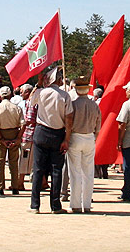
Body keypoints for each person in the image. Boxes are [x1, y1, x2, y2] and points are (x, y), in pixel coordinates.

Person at [30, 66, 74, 214]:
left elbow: (30, 101)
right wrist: (66, 139)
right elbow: (69, 119)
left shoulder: (41, 93)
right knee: (56, 171)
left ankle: (34, 205)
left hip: (41, 132)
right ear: (59, 80)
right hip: (58, 134)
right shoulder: (65, 96)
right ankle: (55, 205)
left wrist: (38, 84)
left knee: (38, 169)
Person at [67, 77, 102, 213]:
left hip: (75, 137)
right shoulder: (94, 105)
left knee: (74, 172)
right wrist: (95, 137)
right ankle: (86, 204)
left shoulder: (73, 104)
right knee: (88, 172)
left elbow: (69, 123)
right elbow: (98, 124)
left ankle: (75, 204)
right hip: (89, 137)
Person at [0, 86, 25, 196]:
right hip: (14, 132)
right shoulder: (17, 108)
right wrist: (18, 138)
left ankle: (0, 186)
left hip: (1, 134)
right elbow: (23, 124)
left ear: (0, 95)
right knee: (13, 162)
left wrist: (1, 139)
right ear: (10, 95)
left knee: (0, 161)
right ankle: (15, 186)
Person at [19, 86, 38, 190]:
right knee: (27, 159)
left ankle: (20, 182)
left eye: (22, 92)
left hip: (29, 135)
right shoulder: (30, 102)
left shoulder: (31, 103)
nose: (20, 93)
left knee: (26, 159)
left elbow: (29, 120)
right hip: (29, 135)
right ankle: (20, 181)